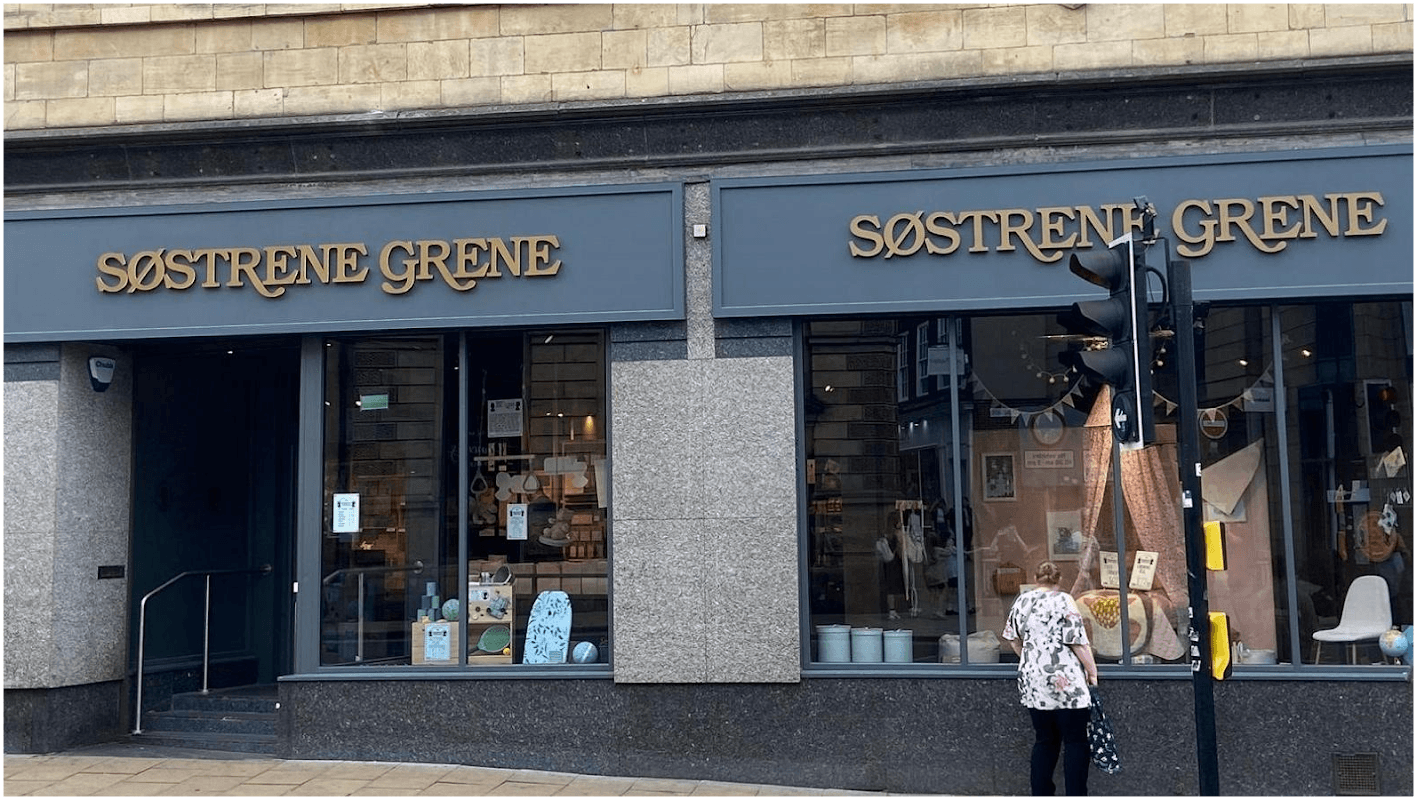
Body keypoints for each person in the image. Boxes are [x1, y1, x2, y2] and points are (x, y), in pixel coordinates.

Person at [1002, 561, 1099, 797]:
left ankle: (1041, 793)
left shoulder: (1022, 600)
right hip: (1066, 682)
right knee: (1075, 741)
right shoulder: (1063, 600)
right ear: (1059, 580)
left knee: (1044, 741)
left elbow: (1013, 639)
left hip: (1034, 682)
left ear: (1036, 579)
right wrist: (1092, 672)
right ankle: (1076, 794)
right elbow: (1077, 641)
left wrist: (1031, 658)